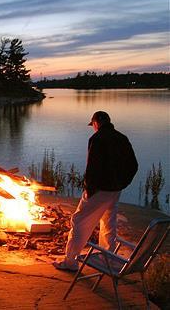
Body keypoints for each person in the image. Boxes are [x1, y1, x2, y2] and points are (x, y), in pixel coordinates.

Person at [53, 111, 138, 271]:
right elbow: (133, 165)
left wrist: (89, 189)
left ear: (97, 123)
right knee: (108, 222)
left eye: (93, 125)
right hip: (115, 189)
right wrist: (122, 183)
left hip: (99, 189)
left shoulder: (97, 139)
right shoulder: (122, 138)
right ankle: (108, 258)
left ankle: (70, 262)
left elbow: (92, 166)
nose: (93, 128)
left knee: (79, 221)